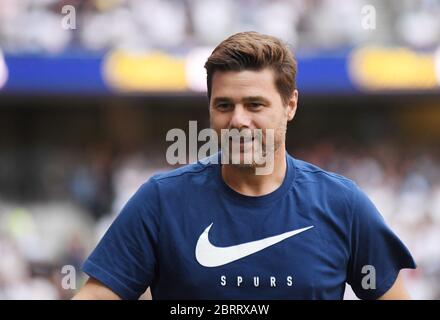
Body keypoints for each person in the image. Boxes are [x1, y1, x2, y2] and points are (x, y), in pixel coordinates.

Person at [73, 31, 415, 300]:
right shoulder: (161, 201)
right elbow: (99, 293)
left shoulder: (342, 204)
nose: (238, 120)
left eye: (255, 105)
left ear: (290, 105)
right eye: (224, 105)